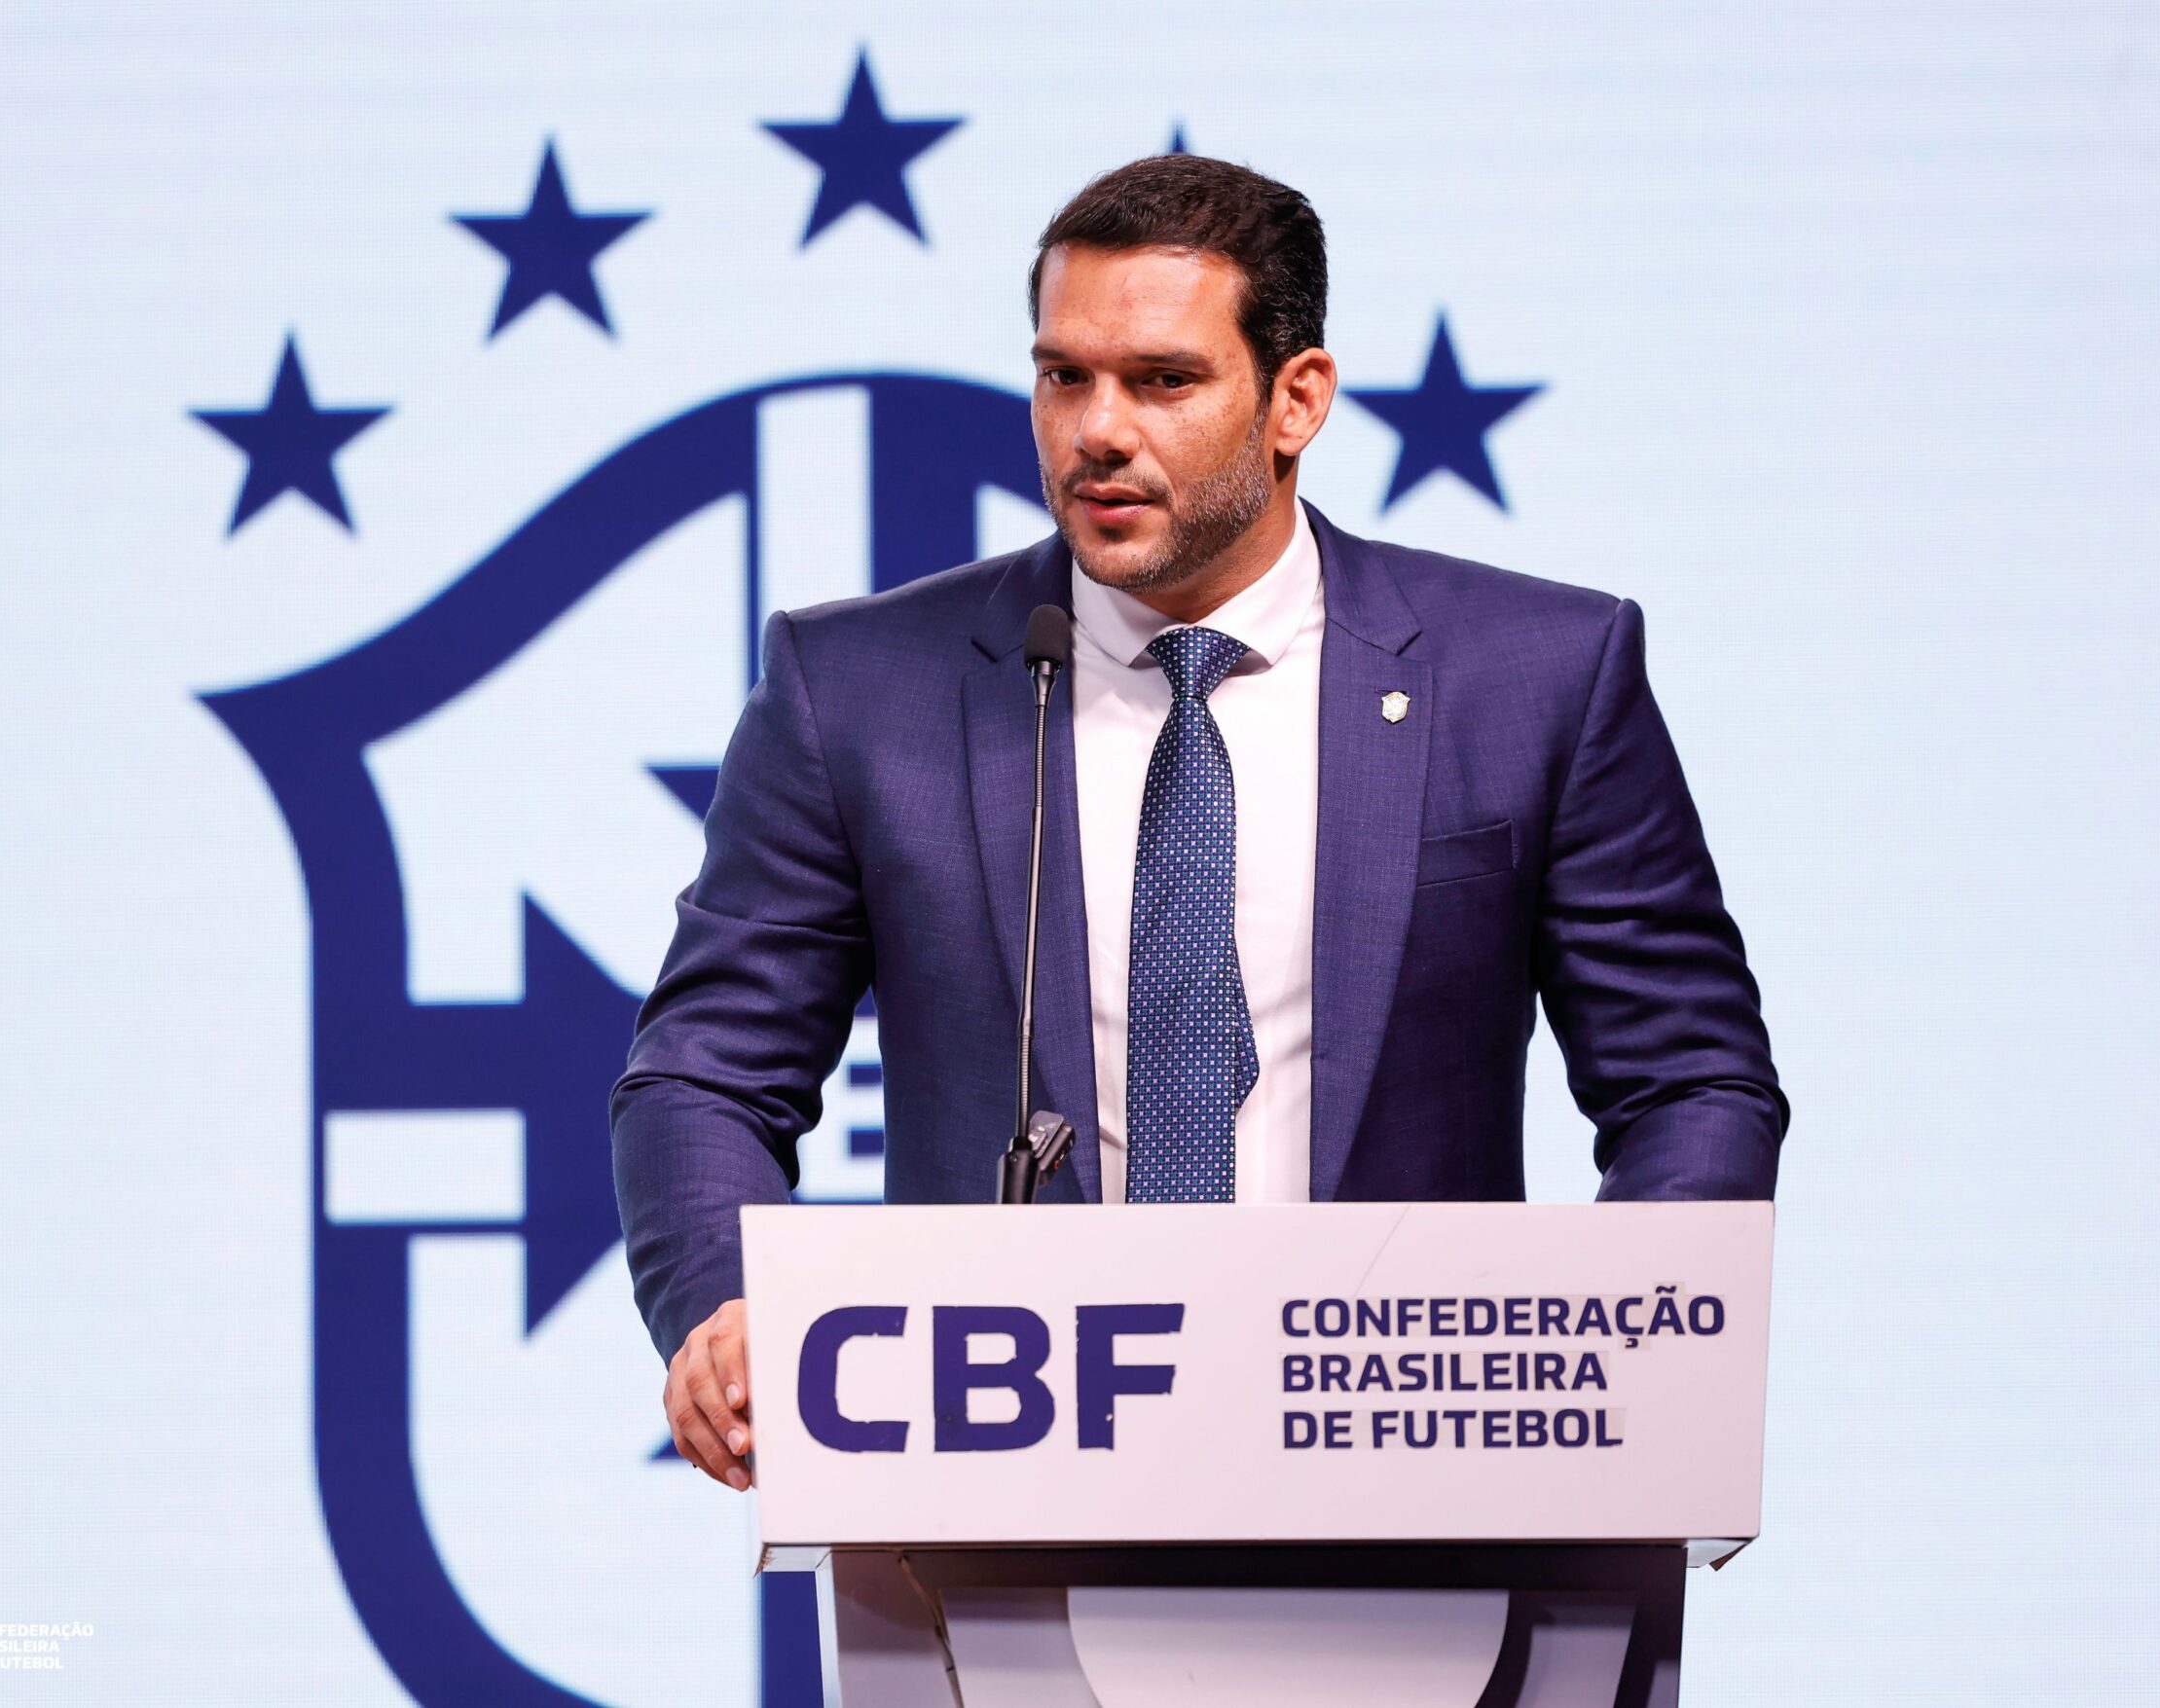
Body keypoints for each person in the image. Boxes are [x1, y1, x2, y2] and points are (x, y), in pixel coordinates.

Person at [611, 154, 1786, 1492]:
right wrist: (729, 1304)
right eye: (1064, 377)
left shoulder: (1535, 677)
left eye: (1163, 381)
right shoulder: (860, 692)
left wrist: (1631, 1355)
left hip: (1421, 1485)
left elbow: (1689, 1079)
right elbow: (704, 1074)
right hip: (997, 1488)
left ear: (1298, 399)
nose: (1097, 431)